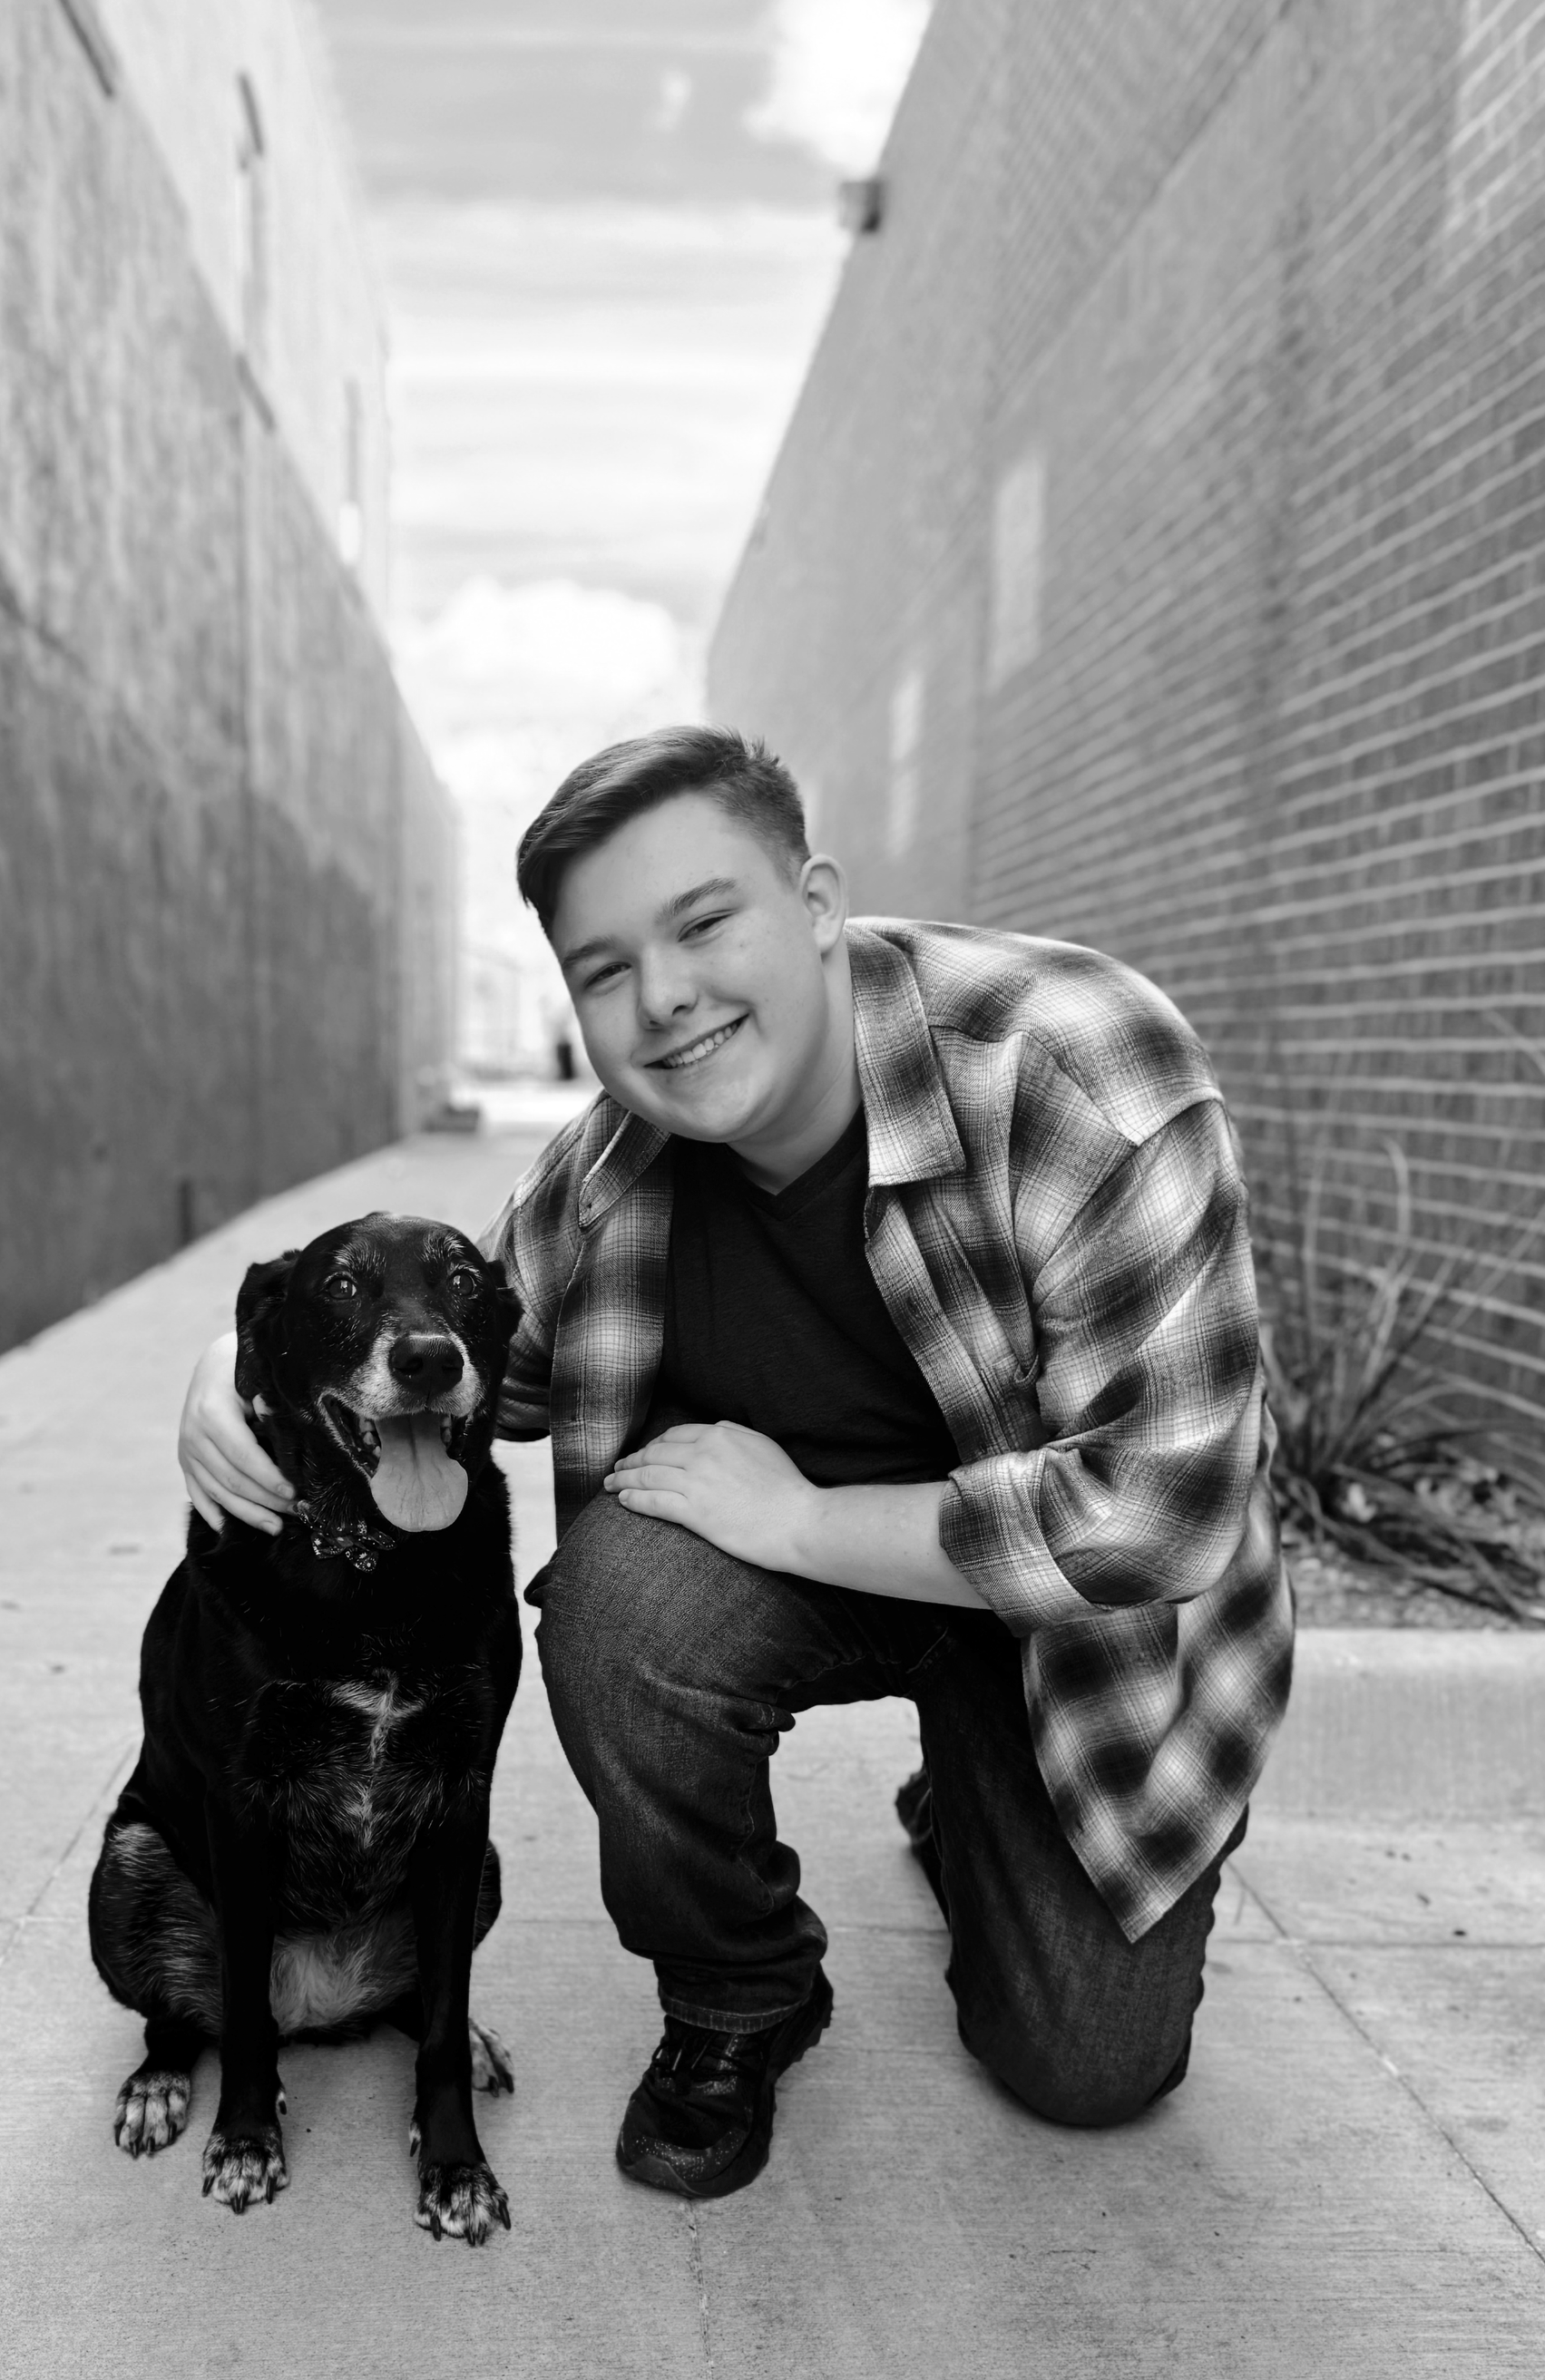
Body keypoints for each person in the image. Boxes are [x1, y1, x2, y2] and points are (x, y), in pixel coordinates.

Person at [178, 727, 1294, 2200]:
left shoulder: (1074, 1069)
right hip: (796, 1577)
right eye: (604, 968)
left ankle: (975, 1798)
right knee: (616, 1602)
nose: (667, 1000)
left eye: (706, 922)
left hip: (1069, 1626)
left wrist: (808, 1517)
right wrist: (227, 1366)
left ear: (819, 903)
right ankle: (741, 1994)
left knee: (1087, 2070)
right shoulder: (608, 1172)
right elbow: (435, 1345)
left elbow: (1160, 1516)